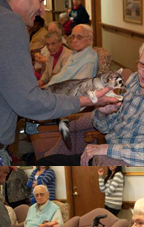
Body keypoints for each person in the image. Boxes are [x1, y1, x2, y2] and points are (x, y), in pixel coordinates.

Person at [0, 0, 119, 166]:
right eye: (41, 1)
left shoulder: (86, 58)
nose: (43, 10)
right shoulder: (9, 22)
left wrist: (87, 100)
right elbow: (28, 100)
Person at [36, 37, 144, 166]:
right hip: (103, 154)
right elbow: (104, 127)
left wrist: (106, 149)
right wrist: (103, 113)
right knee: (45, 163)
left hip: (123, 162)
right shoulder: (134, 79)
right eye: (142, 65)